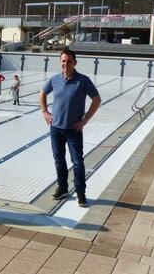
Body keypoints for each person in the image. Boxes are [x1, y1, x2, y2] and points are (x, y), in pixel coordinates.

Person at [39, 49, 101, 207]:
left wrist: (85, 120)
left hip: (74, 130)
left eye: (68, 61)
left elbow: (97, 99)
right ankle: (63, 188)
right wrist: (45, 112)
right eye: (63, 61)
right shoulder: (54, 80)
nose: (65, 64)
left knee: (77, 162)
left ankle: (81, 193)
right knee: (59, 160)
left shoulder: (83, 80)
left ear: (75, 63)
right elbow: (42, 94)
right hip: (56, 129)